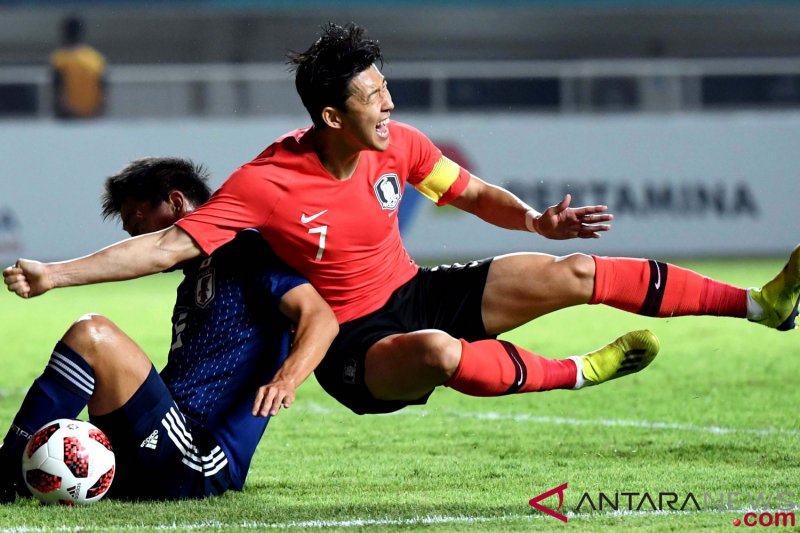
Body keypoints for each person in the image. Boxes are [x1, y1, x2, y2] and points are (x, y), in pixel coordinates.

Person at [4, 24, 798, 417]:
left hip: (414, 287)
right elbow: (171, 243)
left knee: (578, 274)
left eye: (386, 86)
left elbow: (469, 192)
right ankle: (581, 370)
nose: (391, 103)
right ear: (329, 115)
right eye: (373, 95)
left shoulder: (399, 146)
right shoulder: (267, 181)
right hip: (353, 346)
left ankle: (762, 306)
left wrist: (533, 221)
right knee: (441, 352)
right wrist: (55, 272)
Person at [0, 157, 338, 503]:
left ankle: (6, 470)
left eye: (137, 223)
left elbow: (321, 316)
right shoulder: (193, 278)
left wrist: (287, 379)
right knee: (94, 363)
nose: (136, 238)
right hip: (166, 439)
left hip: (199, 458)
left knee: (92, 336)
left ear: (176, 203)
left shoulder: (244, 248)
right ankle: (28, 474)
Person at [50, 14, 107, 119]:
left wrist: (73, 114)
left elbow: (57, 95)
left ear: (64, 33)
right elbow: (103, 95)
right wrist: (93, 115)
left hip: (68, 120)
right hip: (92, 118)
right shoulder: (96, 59)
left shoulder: (60, 59)